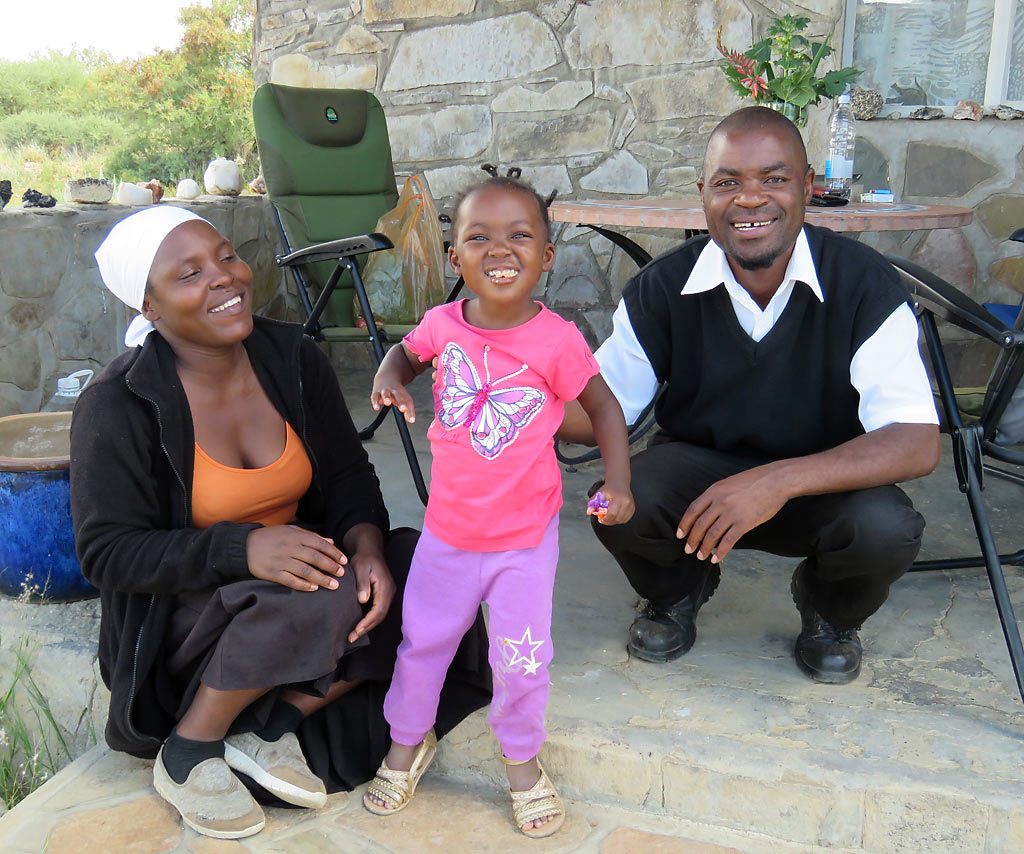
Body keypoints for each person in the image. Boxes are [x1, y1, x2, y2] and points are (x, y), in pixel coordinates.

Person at [70, 206, 491, 840]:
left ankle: (272, 726)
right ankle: (191, 747)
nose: (223, 277)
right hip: (194, 623)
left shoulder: (291, 357)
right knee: (320, 590)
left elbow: (348, 476)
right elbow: (107, 553)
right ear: (149, 307)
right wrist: (242, 549)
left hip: (302, 585)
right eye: (189, 274)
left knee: (430, 569)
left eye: (227, 256)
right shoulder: (118, 402)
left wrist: (367, 547)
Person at [560, 106, 941, 684]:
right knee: (614, 503)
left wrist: (776, 481)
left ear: (807, 187)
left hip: (821, 482)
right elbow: (603, 409)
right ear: (703, 195)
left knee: (886, 529)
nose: (750, 198)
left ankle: (829, 610)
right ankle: (676, 591)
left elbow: (915, 441)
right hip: (700, 483)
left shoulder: (863, 283)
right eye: (727, 182)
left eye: (774, 178)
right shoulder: (664, 287)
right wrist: (510, 395)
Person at [363, 176, 634, 837]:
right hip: (448, 537)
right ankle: (407, 743)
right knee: (422, 643)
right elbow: (406, 352)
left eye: (520, 235)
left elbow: (603, 408)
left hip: (523, 543)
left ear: (546, 256)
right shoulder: (443, 325)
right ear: (454, 257)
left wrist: (620, 483)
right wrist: (389, 376)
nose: (500, 249)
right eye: (479, 237)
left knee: (521, 659)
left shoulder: (557, 340)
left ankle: (521, 762)